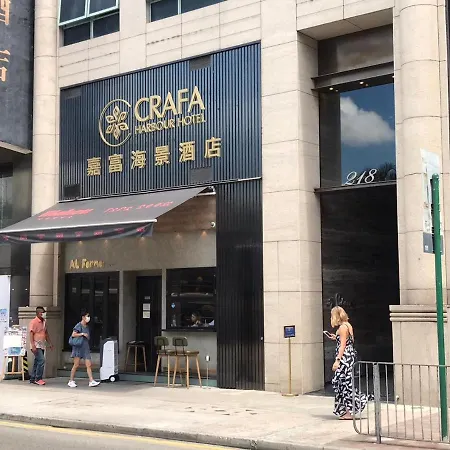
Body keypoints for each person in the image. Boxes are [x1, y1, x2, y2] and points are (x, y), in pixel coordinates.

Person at [326, 306, 371, 420]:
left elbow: (342, 345)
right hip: (349, 356)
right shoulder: (348, 325)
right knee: (345, 383)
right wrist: (336, 337)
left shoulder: (342, 327)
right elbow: (348, 341)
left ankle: (354, 405)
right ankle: (348, 409)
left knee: (342, 383)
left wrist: (337, 360)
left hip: (344, 358)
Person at [68, 310, 100, 388]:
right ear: (83, 317)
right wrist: (82, 334)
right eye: (87, 316)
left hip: (85, 347)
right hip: (78, 347)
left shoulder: (87, 327)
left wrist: (87, 336)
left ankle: (91, 380)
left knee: (88, 364)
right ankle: (71, 380)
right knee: (76, 364)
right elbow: (73, 334)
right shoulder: (78, 325)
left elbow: (88, 336)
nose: (88, 318)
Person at [29, 306, 53, 386]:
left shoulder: (44, 322)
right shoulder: (34, 322)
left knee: (37, 361)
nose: (43, 314)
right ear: (38, 313)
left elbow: (46, 333)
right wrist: (33, 345)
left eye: (44, 312)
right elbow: (31, 333)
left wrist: (50, 343)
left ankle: (33, 378)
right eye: (42, 313)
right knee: (41, 360)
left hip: (42, 344)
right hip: (36, 344)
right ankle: (38, 378)